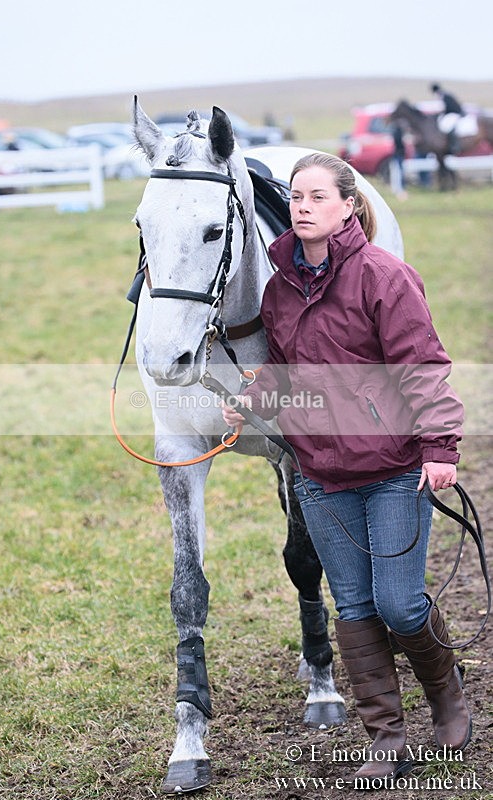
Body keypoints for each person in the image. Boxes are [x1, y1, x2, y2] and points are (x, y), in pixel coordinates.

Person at [222, 152, 471, 784]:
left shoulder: (384, 277)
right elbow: (282, 371)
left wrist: (440, 447)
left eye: (315, 197)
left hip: (392, 469)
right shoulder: (278, 290)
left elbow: (423, 364)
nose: (301, 206)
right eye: (295, 197)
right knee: (354, 607)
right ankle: (386, 738)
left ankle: (447, 697)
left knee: (399, 605)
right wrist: (247, 408)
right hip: (320, 476)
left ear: (347, 206)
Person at [430, 83, 463, 153]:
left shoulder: (444, 96)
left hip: (455, 114)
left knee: (448, 127)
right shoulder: (444, 95)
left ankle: (455, 146)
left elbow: (448, 108)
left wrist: (442, 114)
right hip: (452, 113)